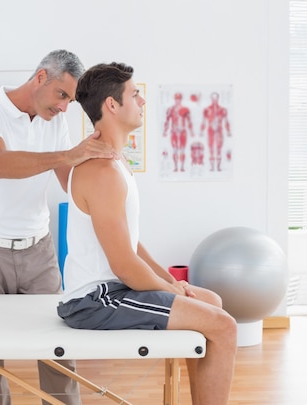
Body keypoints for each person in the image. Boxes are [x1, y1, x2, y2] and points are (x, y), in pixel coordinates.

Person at [57, 62, 238, 405]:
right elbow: (124, 264)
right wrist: (173, 290)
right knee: (224, 326)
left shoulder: (115, 162)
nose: (142, 102)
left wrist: (171, 280)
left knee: (212, 303)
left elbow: (130, 244)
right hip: (95, 300)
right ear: (111, 105)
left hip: (113, 289)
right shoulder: (102, 171)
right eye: (135, 94)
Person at [0, 49, 117, 405]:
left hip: (38, 251)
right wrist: (68, 155)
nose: (64, 108)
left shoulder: (55, 123)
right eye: (62, 95)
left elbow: (68, 181)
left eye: (71, 101)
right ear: (41, 77)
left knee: (57, 351)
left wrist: (105, 163)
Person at [200, 91, 231, 171]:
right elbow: (203, 121)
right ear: (211, 98)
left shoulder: (223, 110)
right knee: (210, 148)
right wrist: (201, 131)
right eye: (213, 98)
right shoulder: (207, 109)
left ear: (218, 98)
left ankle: (218, 167)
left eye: (216, 98)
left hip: (219, 130)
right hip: (210, 130)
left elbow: (226, 121)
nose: (214, 99)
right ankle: (212, 167)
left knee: (219, 148)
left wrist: (228, 131)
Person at [163, 92, 195, 172]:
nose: (177, 100)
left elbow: (189, 121)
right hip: (174, 132)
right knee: (175, 150)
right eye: (176, 99)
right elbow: (167, 121)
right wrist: (165, 131)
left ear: (181, 99)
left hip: (183, 132)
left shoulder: (185, 109)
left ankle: (182, 167)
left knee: (182, 150)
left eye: (179, 99)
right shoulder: (170, 109)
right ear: (174, 99)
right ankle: (176, 167)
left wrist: (191, 131)